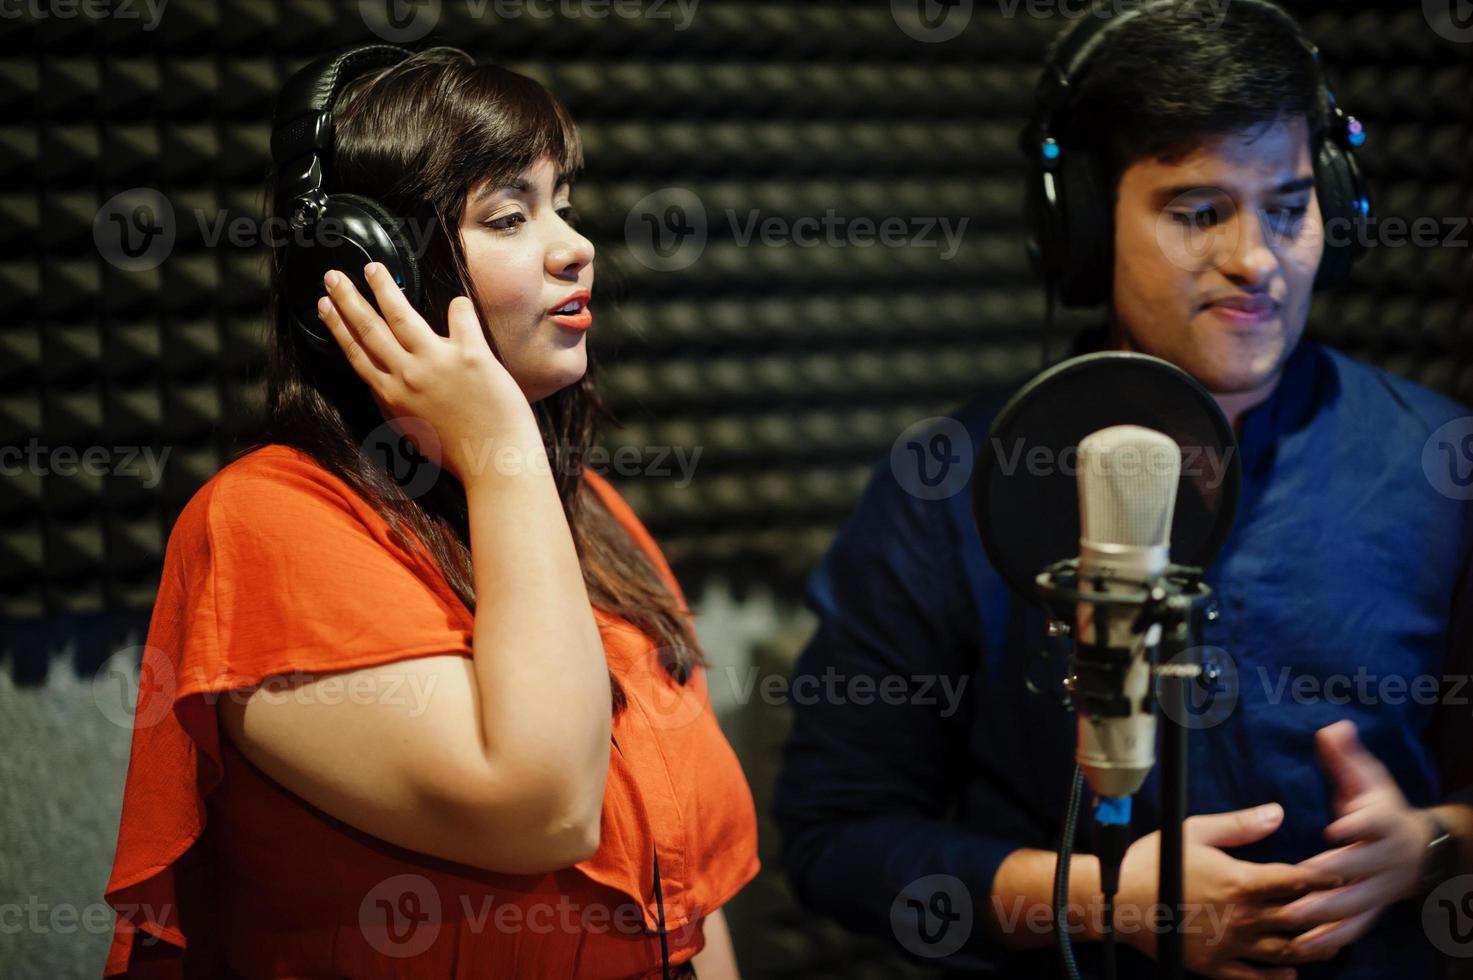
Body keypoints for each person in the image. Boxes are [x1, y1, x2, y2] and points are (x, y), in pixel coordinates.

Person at [773, 2, 1473, 978]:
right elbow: (832, 836)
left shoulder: (1442, 463)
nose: (1256, 260)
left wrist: (1430, 846)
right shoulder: (950, 484)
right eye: (1199, 212)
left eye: (1287, 204)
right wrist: (1103, 904)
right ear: (1087, 221)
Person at [102, 45, 758, 978]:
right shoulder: (265, 527)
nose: (576, 246)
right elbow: (546, 807)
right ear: (376, 265)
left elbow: (687, 905)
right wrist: (499, 448)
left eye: (561, 204)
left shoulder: (591, 515)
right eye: (507, 215)